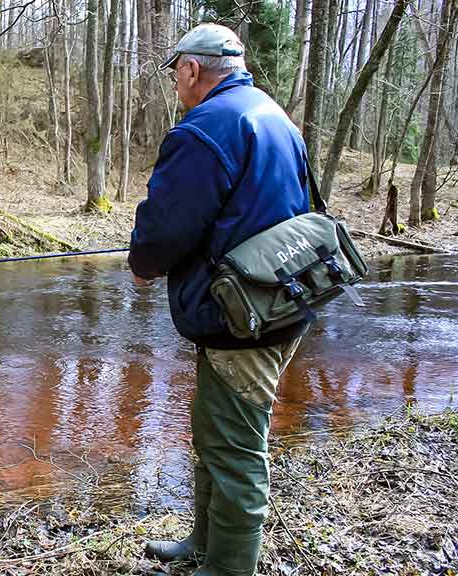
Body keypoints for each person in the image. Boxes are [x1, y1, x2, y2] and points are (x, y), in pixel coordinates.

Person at [128, 24, 312, 576]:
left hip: (245, 314)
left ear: (190, 69)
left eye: (175, 72)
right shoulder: (274, 116)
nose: (175, 83)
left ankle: (228, 567)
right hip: (276, 302)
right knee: (214, 429)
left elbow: (166, 225)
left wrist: (144, 265)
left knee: (234, 444)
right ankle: (204, 543)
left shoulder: (206, 127)